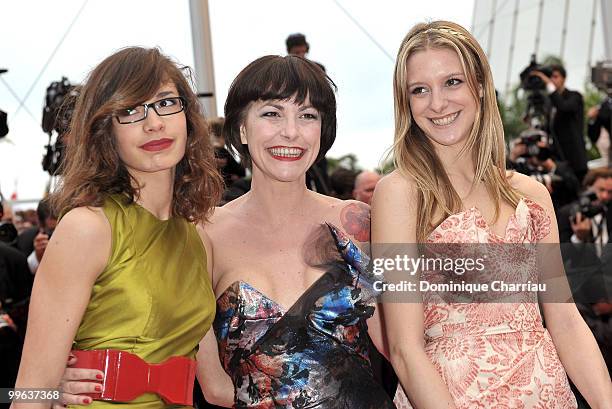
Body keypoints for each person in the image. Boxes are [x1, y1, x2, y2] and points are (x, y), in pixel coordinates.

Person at [56, 55, 395, 409]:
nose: (291, 131)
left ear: (322, 130)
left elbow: (425, 335)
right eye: (271, 113)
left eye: (308, 115)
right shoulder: (201, 234)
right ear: (242, 129)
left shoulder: (362, 223)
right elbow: (188, 372)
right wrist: (60, 386)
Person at [372, 21, 612, 408]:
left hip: (547, 393)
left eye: (452, 82)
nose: (437, 103)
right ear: (406, 103)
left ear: (480, 86)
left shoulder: (531, 195)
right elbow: (404, 349)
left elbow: (565, 320)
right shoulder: (399, 194)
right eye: (420, 90)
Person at [13, 46, 223, 409]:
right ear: (105, 131)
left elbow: (217, 386)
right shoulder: (87, 228)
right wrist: (51, 391)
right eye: (130, 110)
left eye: (165, 103)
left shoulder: (197, 239)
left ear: (187, 117)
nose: (153, 122)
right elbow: (28, 392)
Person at [531, 65, 588, 182]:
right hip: (558, 160)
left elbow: (564, 107)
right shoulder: (550, 103)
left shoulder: (575, 96)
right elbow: (549, 128)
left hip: (575, 160)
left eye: (555, 77)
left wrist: (549, 86)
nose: (551, 80)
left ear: (564, 78)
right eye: (549, 77)